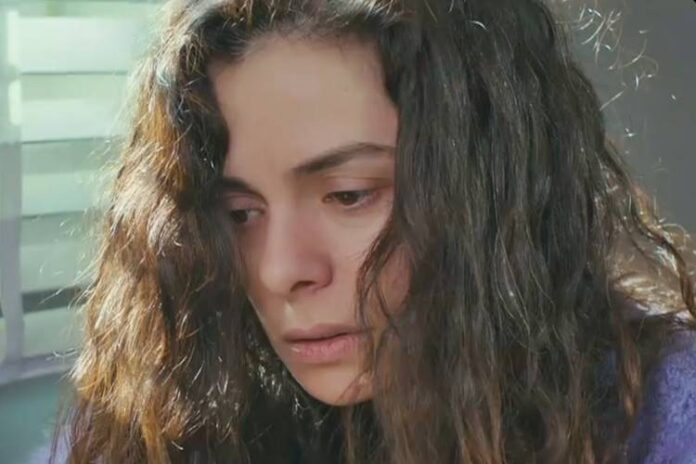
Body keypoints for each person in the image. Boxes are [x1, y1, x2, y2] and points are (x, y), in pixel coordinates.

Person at [49, 0, 696, 462]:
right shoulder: (169, 411)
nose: (279, 271)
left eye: (349, 195)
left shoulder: (666, 417)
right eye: (240, 213)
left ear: (491, 190)